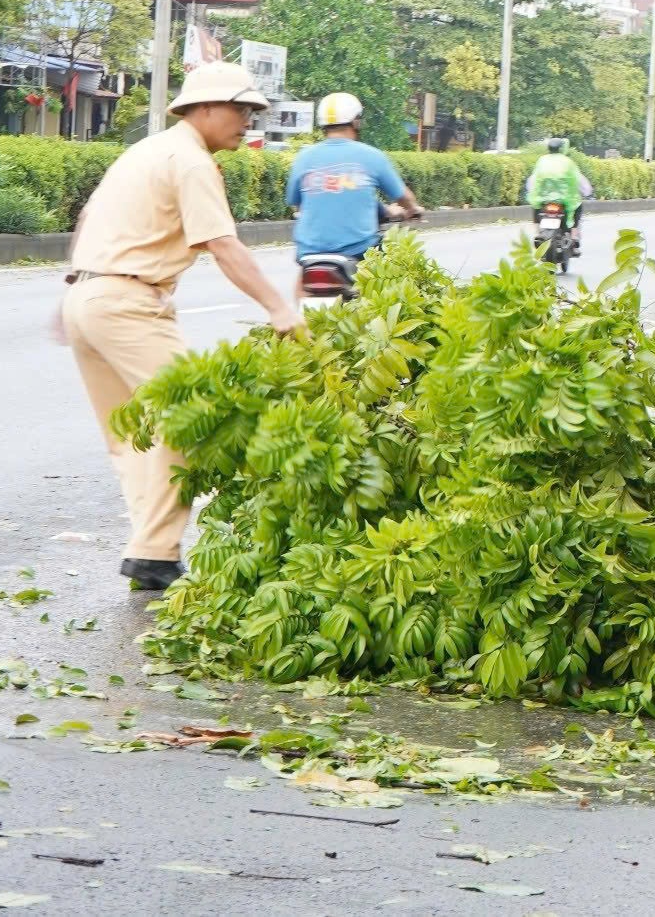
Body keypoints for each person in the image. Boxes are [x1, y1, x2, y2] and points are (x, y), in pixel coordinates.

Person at [58, 62, 304, 591]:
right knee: (193, 414)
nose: (248, 121)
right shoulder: (191, 160)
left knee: (134, 435)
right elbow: (221, 244)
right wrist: (280, 310)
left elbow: (88, 216)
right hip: (128, 302)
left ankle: (150, 550)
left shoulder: (146, 150)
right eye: (241, 109)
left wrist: (74, 297)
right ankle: (155, 554)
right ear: (207, 108)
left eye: (252, 111)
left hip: (89, 295)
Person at [286, 92, 422, 263]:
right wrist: (412, 209)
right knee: (390, 275)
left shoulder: (303, 157)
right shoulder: (372, 156)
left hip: (309, 251)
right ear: (356, 121)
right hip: (359, 250)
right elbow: (404, 198)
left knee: (302, 286)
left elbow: (297, 203)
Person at [525, 135, 593, 253]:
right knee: (578, 207)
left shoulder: (542, 161)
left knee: (536, 207)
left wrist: (532, 192)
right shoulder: (568, 162)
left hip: (543, 200)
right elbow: (579, 180)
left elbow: (534, 179)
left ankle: (537, 232)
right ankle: (574, 235)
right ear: (563, 149)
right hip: (565, 200)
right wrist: (587, 192)